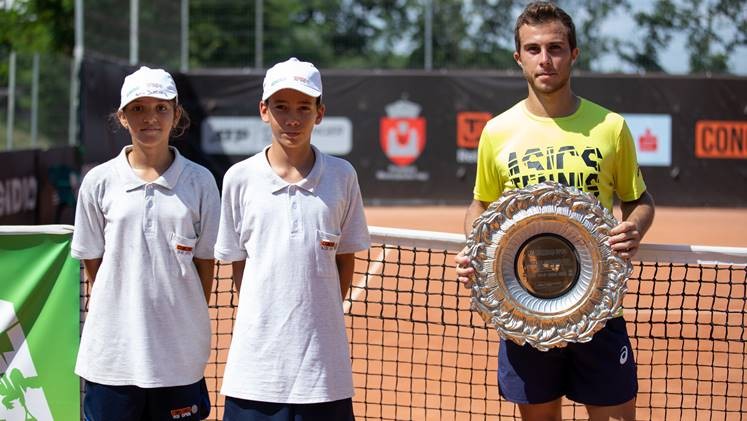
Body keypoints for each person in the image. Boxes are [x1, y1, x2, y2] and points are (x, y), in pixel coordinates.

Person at [455, 2, 656, 421]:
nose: (544, 59)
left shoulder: (610, 127)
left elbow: (639, 200)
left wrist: (634, 227)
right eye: (533, 49)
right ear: (519, 57)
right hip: (525, 311)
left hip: (599, 307)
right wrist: (476, 246)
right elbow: (481, 204)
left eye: (555, 48)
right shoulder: (497, 131)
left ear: (574, 54)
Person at [214, 57, 370, 420]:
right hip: (254, 375)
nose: (293, 119)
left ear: (320, 113)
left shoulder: (342, 176)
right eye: (281, 107)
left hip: (324, 376)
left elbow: (344, 259)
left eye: (304, 107)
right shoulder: (238, 178)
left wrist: (316, 318)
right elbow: (239, 265)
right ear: (263, 110)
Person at [71, 66, 219, 420]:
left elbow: (205, 265)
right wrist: (123, 303)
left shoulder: (201, 182)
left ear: (176, 114)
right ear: (123, 117)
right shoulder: (98, 182)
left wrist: (177, 314)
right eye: (138, 108)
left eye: (160, 108)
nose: (150, 118)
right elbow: (94, 261)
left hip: (178, 358)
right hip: (111, 358)